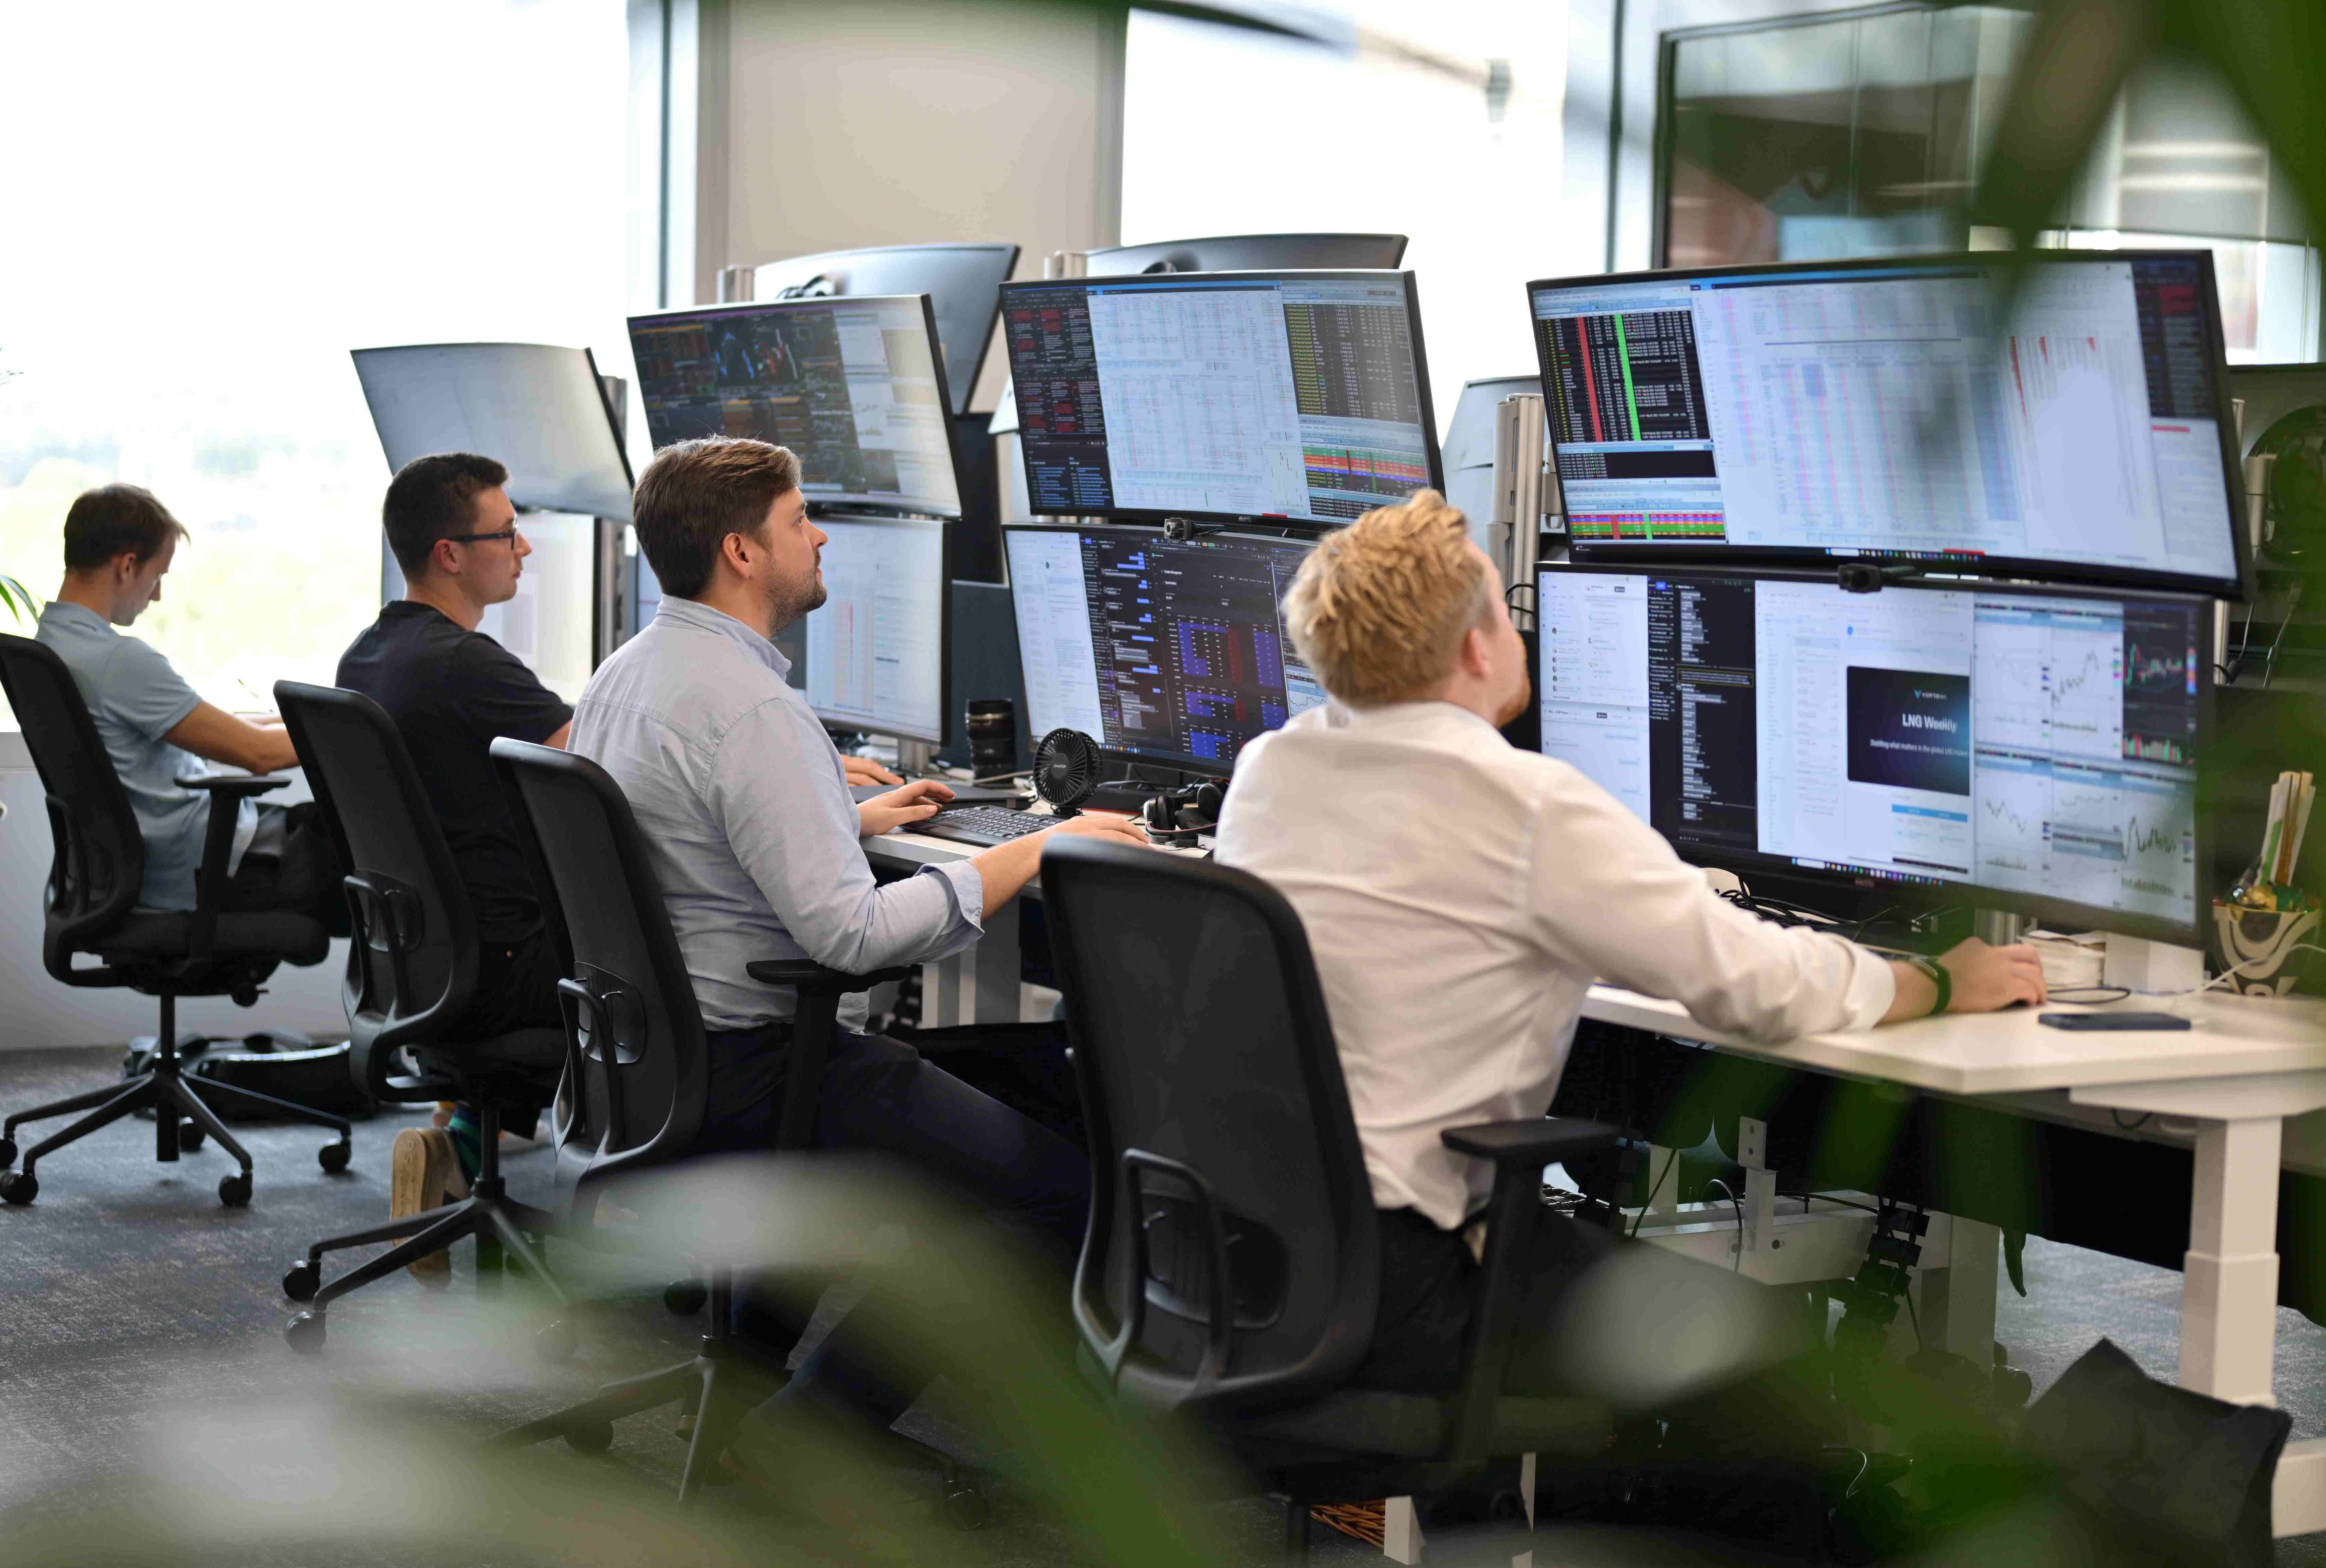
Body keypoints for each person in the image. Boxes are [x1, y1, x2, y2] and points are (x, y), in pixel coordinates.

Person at [1211, 489, 2047, 1398]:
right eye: (1505, 605)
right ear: (1475, 645)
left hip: (1243, 1260)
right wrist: (1935, 978)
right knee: (1771, 1362)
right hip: (1403, 1285)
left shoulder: (1271, 768)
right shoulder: (1523, 805)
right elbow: (1758, 985)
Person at [566, 435, 1147, 1452]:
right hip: (758, 1066)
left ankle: (756, 1392)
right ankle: (819, 1434)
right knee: (1066, 1199)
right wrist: (1033, 849)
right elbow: (849, 936)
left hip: (653, 1059)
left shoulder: (631, 671)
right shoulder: (753, 709)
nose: (820, 534)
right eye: (800, 519)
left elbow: (688, 832)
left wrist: (848, 818)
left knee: (1007, 1099)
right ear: (743, 552)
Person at [333, 454, 575, 1263]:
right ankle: (638, 1216)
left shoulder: (370, 654)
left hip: (418, 966)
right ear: (450, 553)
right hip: (501, 968)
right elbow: (604, 760)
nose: (524, 549)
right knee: (668, 967)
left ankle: (460, 1147)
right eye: (508, 534)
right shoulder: (468, 665)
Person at [33, 484, 343, 923]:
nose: (156, 595)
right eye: (157, 576)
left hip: (149, 858)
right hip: (201, 866)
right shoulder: (117, 661)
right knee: (373, 858)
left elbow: (211, 724)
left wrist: (296, 719)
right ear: (127, 566)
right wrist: (362, 733)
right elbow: (259, 754)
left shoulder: (55, 644)